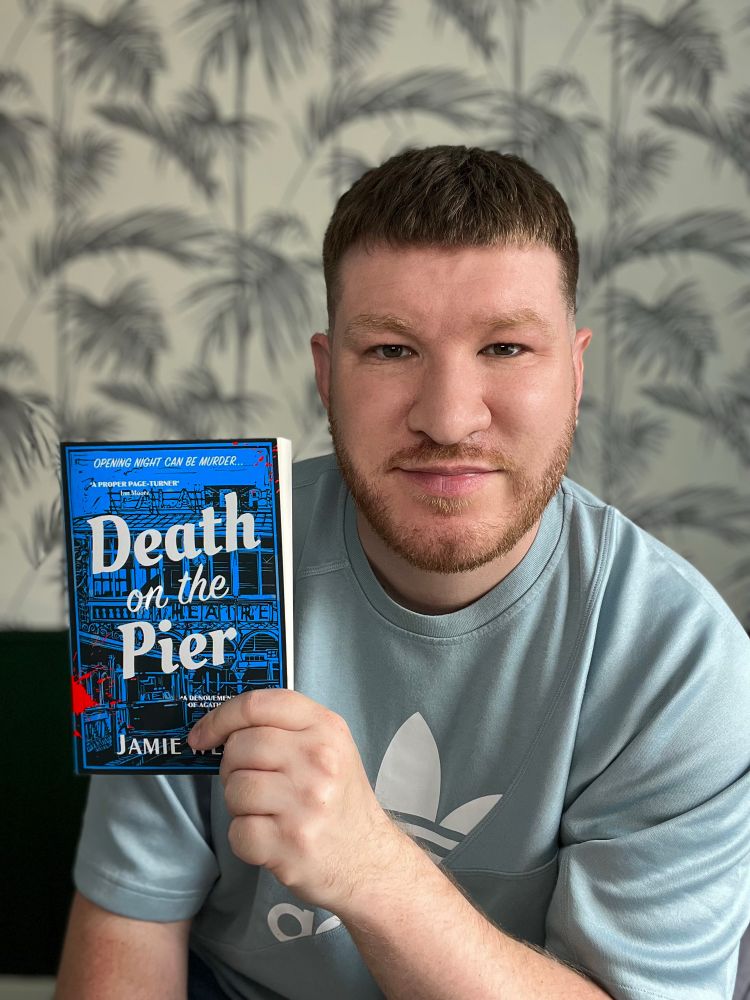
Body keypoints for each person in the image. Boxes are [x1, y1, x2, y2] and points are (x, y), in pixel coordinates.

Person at [56, 146, 750, 1000]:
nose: (448, 417)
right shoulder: (194, 556)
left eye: (504, 346)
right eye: (390, 350)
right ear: (325, 375)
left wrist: (372, 868)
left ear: (575, 373)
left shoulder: (681, 660)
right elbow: (129, 932)